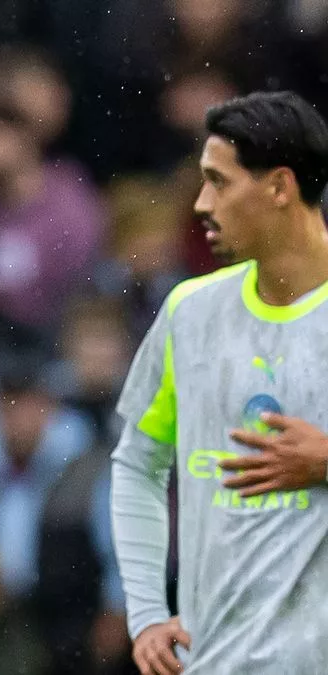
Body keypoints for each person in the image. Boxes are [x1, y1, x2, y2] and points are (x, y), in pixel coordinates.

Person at [111, 90, 328, 675]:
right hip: (214, 662)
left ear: (280, 187)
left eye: (219, 182)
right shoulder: (189, 313)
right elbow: (136, 466)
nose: (202, 203)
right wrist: (148, 613)